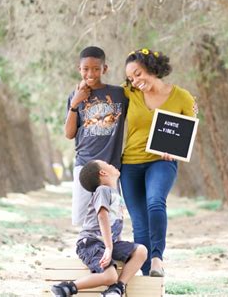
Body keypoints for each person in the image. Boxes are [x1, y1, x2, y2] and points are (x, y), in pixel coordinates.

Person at [121, 48, 197, 277]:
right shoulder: (128, 93)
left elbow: (189, 131)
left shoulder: (182, 97)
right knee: (139, 223)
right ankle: (147, 278)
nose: (135, 81)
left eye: (138, 74)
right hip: (130, 164)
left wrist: (174, 148)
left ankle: (156, 259)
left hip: (162, 162)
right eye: (131, 77)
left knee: (155, 202)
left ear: (152, 68)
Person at [51, 160, 147, 297]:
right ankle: (67, 288)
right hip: (91, 243)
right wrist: (109, 248)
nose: (112, 164)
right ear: (103, 172)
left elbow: (115, 225)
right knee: (110, 276)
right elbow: (103, 217)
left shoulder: (115, 194)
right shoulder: (103, 190)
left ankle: (117, 288)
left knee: (141, 251)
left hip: (109, 243)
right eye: (108, 164)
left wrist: (115, 246)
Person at [65, 46, 128, 226]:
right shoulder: (74, 96)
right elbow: (69, 134)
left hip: (110, 167)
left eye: (96, 69)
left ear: (104, 69)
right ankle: (89, 250)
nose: (90, 73)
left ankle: (110, 250)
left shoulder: (119, 94)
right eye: (86, 69)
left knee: (114, 218)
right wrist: (75, 103)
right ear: (79, 69)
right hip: (84, 164)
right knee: (81, 219)